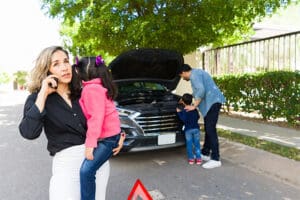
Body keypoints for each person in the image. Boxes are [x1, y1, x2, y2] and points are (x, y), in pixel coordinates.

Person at [19, 46, 124, 200]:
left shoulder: (84, 92)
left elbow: (107, 114)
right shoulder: (38, 99)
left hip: (95, 162)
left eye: (66, 61)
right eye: (56, 64)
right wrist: (43, 94)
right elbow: (29, 132)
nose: (64, 67)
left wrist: (119, 136)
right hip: (66, 167)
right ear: (47, 71)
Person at [73, 56, 123, 200]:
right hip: (110, 137)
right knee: (87, 171)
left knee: (86, 171)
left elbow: (96, 118)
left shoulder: (91, 89)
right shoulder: (98, 87)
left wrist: (90, 144)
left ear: (83, 72)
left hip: (107, 139)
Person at [178, 64, 226, 169]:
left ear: (184, 72)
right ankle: (205, 153)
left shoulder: (194, 76)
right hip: (212, 103)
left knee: (210, 129)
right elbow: (197, 92)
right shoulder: (197, 73)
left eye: (181, 76)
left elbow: (201, 90)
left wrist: (194, 106)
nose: (182, 78)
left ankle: (215, 159)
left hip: (212, 103)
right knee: (208, 128)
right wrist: (186, 100)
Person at [176, 93, 202, 165]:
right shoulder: (194, 109)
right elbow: (198, 117)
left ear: (183, 102)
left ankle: (191, 159)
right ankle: (198, 159)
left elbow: (183, 119)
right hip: (196, 129)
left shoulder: (184, 110)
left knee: (189, 144)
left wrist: (179, 113)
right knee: (197, 144)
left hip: (188, 130)